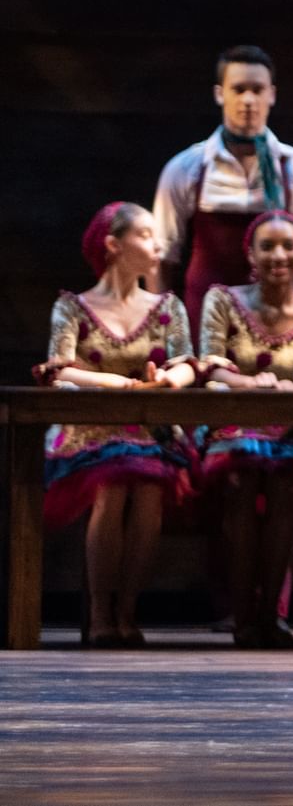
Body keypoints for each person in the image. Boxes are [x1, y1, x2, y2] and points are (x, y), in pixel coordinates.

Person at [35, 203, 206, 646]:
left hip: (149, 429)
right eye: (145, 235)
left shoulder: (166, 306)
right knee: (113, 483)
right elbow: (58, 370)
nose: (157, 245)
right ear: (113, 244)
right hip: (91, 428)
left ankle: (127, 609)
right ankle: (100, 612)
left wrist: (168, 379)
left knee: (148, 486)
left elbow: (187, 363)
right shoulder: (73, 307)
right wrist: (112, 382)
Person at [196, 208, 293, 648]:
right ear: (250, 255)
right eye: (267, 246)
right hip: (233, 427)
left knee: (286, 484)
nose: (278, 255)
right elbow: (210, 366)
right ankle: (243, 616)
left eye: (288, 246)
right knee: (240, 479)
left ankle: (272, 614)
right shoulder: (223, 301)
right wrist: (251, 383)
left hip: (292, 432)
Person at [152, 44, 293, 336]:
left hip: (279, 329)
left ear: (272, 95)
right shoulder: (186, 168)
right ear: (220, 94)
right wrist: (163, 332)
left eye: (257, 89)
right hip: (203, 323)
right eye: (239, 89)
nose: (248, 100)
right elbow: (161, 259)